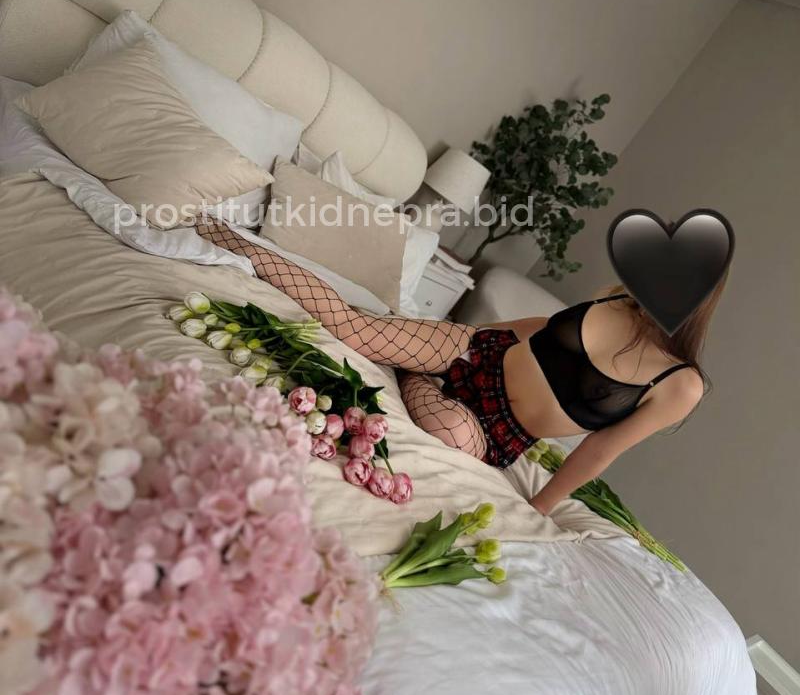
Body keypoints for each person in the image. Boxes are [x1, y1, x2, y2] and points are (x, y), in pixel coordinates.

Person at [197, 221, 719, 516]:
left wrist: (539, 508)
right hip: (478, 352)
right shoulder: (615, 299)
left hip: (497, 428)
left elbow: (602, 447)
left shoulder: (680, 384)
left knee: (448, 430)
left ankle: (409, 369)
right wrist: (457, 336)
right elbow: (542, 329)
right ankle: (227, 237)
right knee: (354, 329)